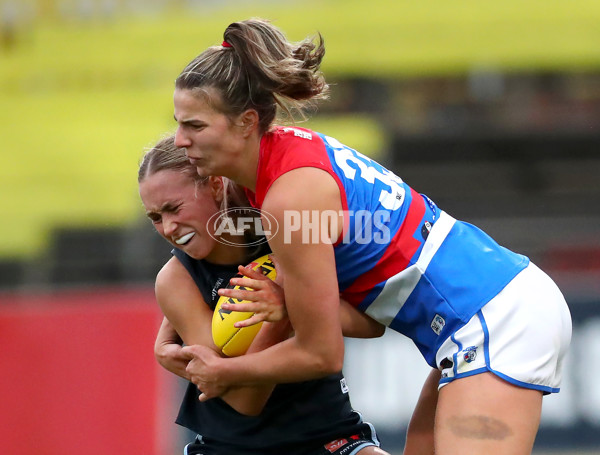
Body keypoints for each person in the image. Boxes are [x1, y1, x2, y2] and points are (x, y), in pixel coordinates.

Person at [171, 18, 573, 455]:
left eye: (194, 126)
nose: (180, 140)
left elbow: (321, 354)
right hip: (481, 313)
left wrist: (225, 374)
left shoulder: (288, 198)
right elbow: (364, 316)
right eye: (178, 124)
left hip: (495, 319)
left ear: (246, 122)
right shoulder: (276, 164)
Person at [138, 135, 390, 455]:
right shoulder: (175, 281)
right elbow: (245, 401)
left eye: (174, 208)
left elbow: (372, 324)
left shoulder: (282, 224)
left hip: (330, 436)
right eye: (156, 218)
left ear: (216, 186)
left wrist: (291, 303)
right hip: (230, 447)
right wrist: (279, 319)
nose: (169, 227)